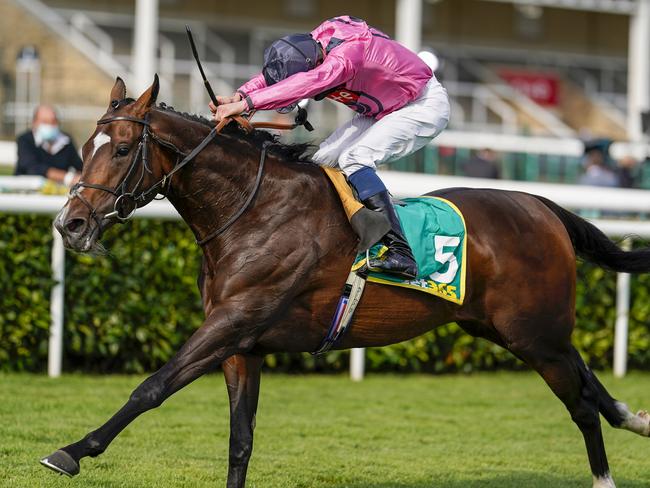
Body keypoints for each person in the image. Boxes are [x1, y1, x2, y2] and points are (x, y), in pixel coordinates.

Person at [210, 15, 450, 279]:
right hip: (383, 108)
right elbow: (284, 69)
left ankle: (401, 252)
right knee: (322, 163)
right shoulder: (313, 45)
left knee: (355, 159)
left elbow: (309, 81)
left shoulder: (344, 58)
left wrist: (247, 104)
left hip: (422, 105)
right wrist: (241, 94)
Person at [15, 105, 82, 186]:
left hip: (59, 191)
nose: (50, 125)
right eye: (45, 121)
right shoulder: (25, 140)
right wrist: (67, 177)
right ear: (34, 122)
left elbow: (79, 166)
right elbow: (32, 167)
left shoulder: (66, 141)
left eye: (53, 121)